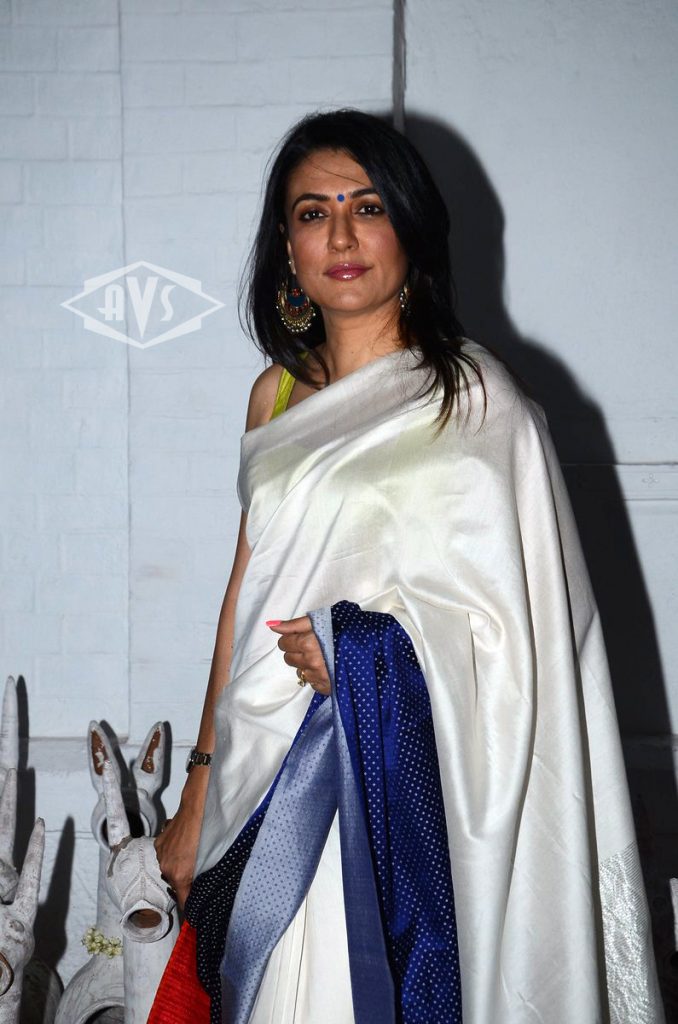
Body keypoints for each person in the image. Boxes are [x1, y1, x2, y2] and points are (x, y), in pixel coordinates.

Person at [151, 109, 663, 1023]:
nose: (342, 236)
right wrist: (198, 784)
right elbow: (243, 598)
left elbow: (528, 633)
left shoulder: (479, 400)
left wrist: (365, 655)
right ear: (287, 246)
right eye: (313, 213)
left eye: (368, 206)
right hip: (265, 773)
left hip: (409, 793)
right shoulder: (273, 394)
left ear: (410, 229)